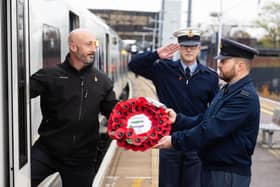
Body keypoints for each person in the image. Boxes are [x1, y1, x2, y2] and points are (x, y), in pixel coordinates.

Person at [155, 38, 260, 187]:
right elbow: (206, 119)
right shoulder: (228, 90)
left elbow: (212, 129)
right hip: (213, 168)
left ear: (240, 66)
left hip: (227, 174)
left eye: (224, 62)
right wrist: (178, 119)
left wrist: (174, 140)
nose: (219, 65)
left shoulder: (244, 98)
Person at [128, 28, 219, 187]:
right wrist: (156, 54)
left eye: (193, 46)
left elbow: (214, 111)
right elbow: (133, 64)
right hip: (168, 140)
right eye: (184, 46)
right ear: (179, 48)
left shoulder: (210, 76)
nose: (189, 49)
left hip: (195, 141)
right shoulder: (163, 69)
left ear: (199, 48)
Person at [30, 28, 118, 187]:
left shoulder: (102, 80)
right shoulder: (49, 75)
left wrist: (138, 117)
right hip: (47, 151)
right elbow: (16, 95)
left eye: (95, 44)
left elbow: (113, 110)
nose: (94, 49)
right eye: (88, 44)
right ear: (73, 47)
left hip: (82, 157)